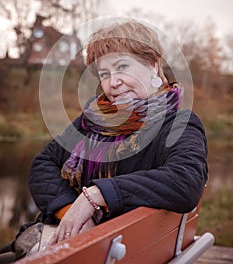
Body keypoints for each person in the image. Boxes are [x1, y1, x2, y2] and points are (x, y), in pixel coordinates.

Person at [1, 19, 208, 259]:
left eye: (122, 67)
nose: (113, 82)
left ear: (153, 64)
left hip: (109, 254)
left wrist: (97, 195)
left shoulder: (179, 124)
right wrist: (72, 211)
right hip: (77, 242)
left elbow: (185, 181)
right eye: (105, 74)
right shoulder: (93, 118)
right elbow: (43, 164)